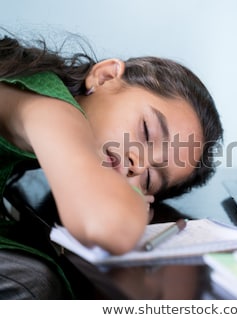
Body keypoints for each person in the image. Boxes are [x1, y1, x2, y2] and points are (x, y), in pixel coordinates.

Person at [0, 32, 223, 299]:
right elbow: (102, 223)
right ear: (104, 77)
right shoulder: (51, 108)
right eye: (146, 133)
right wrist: (131, 199)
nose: (137, 165)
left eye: (150, 178)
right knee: (34, 280)